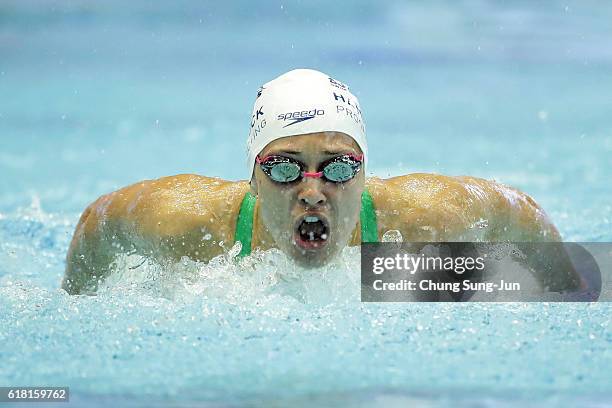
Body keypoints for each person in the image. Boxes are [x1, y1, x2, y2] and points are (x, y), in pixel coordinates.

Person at [62, 69, 584, 295]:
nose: (312, 192)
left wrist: (570, 291)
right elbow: (96, 224)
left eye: (336, 167)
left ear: (364, 174)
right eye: (285, 167)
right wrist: (76, 303)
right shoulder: (188, 223)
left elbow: (519, 211)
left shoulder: (418, 223)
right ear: (252, 179)